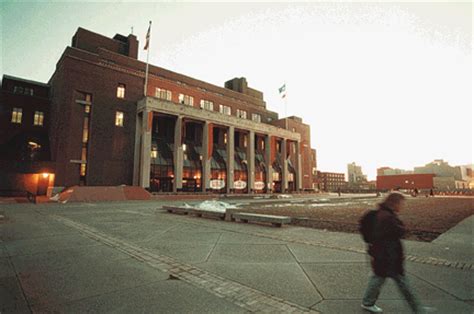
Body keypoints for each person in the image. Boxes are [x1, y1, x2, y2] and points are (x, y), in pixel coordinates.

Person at [361, 192, 427, 313]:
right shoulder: (387, 217)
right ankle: (418, 309)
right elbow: (396, 232)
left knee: (378, 279)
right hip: (387, 256)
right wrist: (400, 227)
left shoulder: (383, 213)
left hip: (383, 255)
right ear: (394, 203)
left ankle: (368, 302)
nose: (402, 206)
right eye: (401, 203)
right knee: (401, 282)